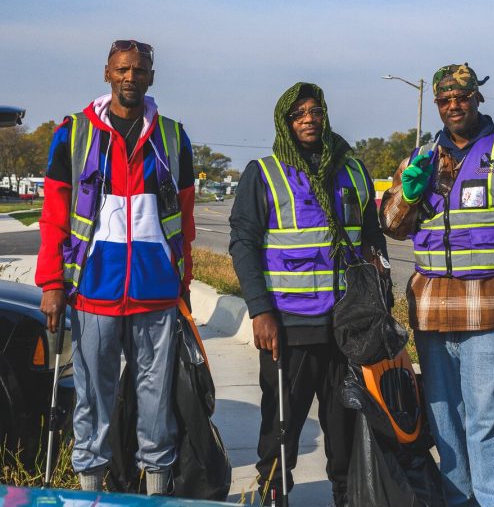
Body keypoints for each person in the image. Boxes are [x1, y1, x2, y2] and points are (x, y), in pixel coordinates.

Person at [380, 63, 494, 507]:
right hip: (432, 314)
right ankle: (458, 500)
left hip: (493, 313)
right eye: (445, 100)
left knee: (487, 416)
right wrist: (408, 192)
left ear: (477, 98)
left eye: (462, 97)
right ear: (438, 105)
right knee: (444, 419)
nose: (453, 105)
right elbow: (393, 226)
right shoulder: (419, 158)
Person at [36, 39, 196, 494]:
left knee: (156, 404)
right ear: (107, 73)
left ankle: (156, 492)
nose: (131, 77)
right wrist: (51, 283)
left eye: (140, 70)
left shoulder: (172, 136)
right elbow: (54, 214)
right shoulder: (73, 133)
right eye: (123, 69)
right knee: (92, 401)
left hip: (156, 295)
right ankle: (90, 491)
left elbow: (184, 218)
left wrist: (181, 284)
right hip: (92, 293)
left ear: (151, 77)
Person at [229, 82, 388, 507]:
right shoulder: (264, 173)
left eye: (315, 111)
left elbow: (372, 242)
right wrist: (260, 311)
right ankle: (272, 498)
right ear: (285, 122)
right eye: (298, 114)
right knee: (280, 434)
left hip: (348, 329)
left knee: (347, 434)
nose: (308, 119)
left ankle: (346, 499)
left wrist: (379, 307)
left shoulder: (353, 170)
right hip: (289, 327)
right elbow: (243, 244)